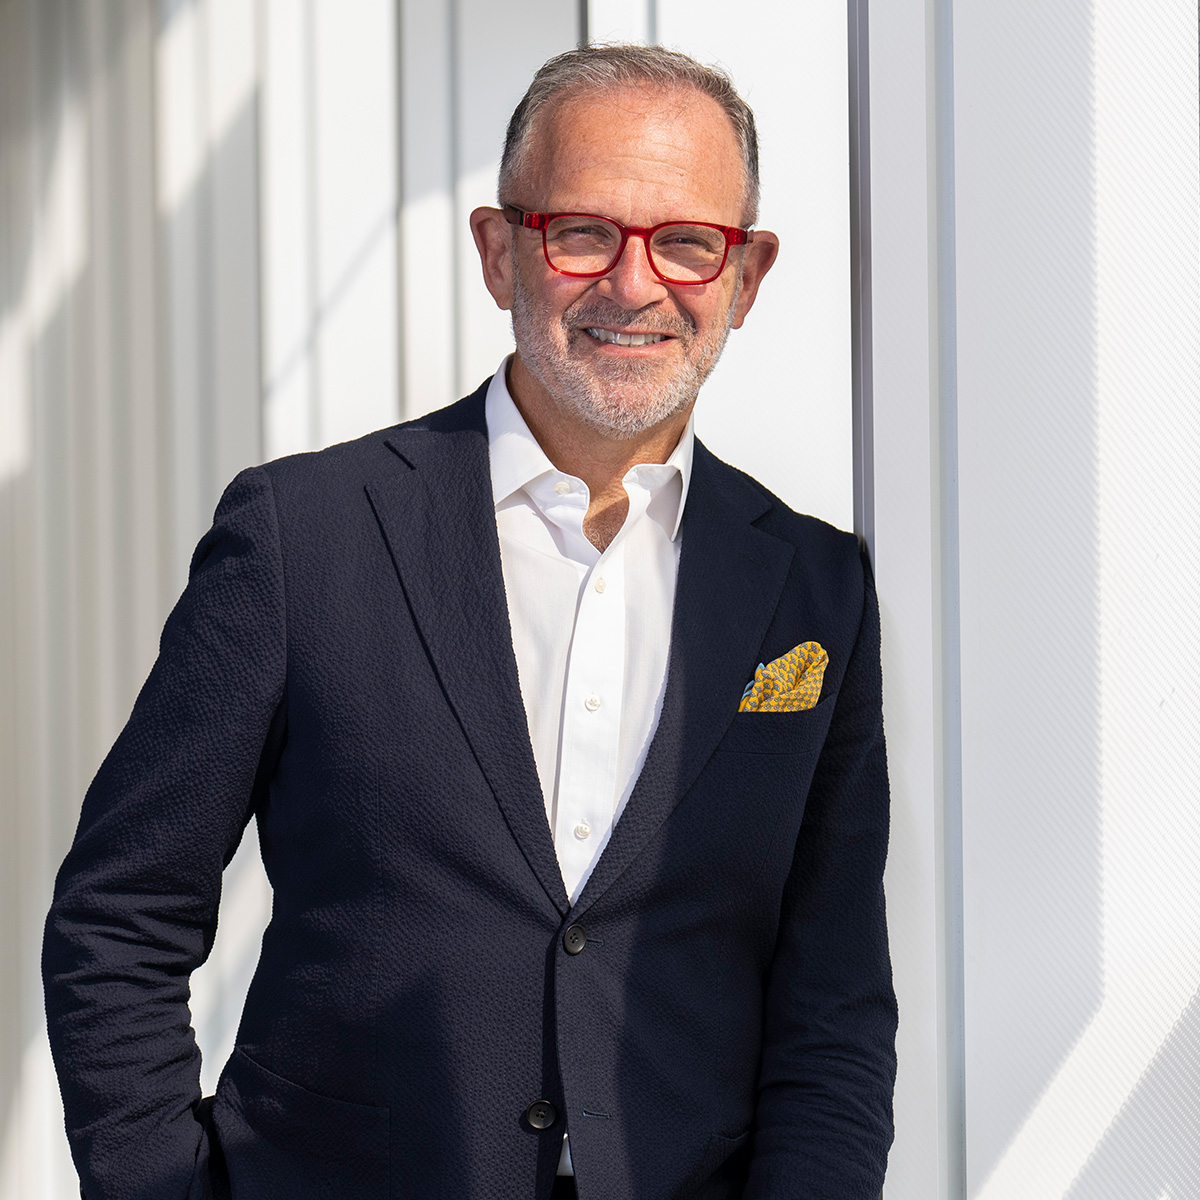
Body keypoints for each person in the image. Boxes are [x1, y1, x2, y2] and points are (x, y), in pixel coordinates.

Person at [43, 43, 896, 1200]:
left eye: (688, 242)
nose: (635, 286)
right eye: (582, 232)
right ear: (501, 254)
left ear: (745, 277)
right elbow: (119, 917)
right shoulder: (305, 535)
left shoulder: (814, 587)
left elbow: (831, 999)